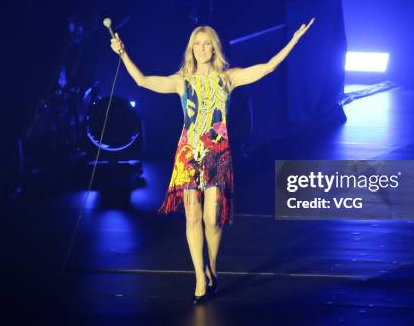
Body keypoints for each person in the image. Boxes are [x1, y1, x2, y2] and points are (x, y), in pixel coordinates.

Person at [110, 18, 314, 304]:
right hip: (188, 153)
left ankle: (212, 270)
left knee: (211, 219)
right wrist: (122, 53)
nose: (202, 49)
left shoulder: (228, 78)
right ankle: (198, 276)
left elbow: (268, 67)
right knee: (192, 216)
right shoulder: (182, 80)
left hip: (217, 153)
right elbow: (142, 80)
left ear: (214, 49)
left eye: (207, 44)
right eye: (198, 44)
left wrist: (293, 41)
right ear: (191, 48)